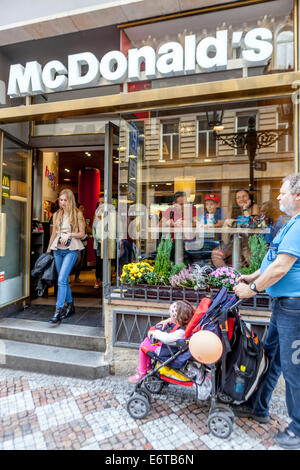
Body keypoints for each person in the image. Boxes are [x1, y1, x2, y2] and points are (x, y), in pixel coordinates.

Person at [233, 173, 300, 450]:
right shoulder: (291, 224)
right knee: (269, 358)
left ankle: (297, 429)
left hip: (293, 309)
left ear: (297, 195)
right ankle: (257, 406)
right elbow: (273, 259)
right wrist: (252, 275)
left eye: (283, 192)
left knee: (294, 369)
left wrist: (254, 289)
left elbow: (282, 267)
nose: (278, 197)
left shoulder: (298, 225)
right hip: (282, 306)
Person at [128, 300, 194, 384]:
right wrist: (169, 320)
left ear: (177, 319)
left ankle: (142, 372)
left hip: (167, 352)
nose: (170, 318)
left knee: (143, 346)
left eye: (172, 317)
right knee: (147, 341)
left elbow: (167, 338)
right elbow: (175, 322)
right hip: (171, 349)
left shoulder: (180, 332)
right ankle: (147, 366)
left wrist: (154, 333)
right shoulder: (186, 325)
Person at [47, 189, 85, 324]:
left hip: (71, 249)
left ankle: (58, 310)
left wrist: (69, 234)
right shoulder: (57, 214)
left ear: (70, 200)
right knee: (63, 280)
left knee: (62, 278)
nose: (62, 203)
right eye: (61, 200)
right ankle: (71, 305)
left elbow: (82, 234)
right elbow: (53, 234)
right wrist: (48, 250)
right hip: (57, 249)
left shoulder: (77, 214)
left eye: (65, 200)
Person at [73, 203, 92, 282]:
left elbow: (88, 229)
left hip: (84, 241)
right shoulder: (74, 218)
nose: (83, 209)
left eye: (83, 208)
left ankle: (77, 277)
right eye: (81, 208)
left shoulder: (83, 218)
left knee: (80, 261)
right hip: (76, 242)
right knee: (76, 260)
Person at [92, 193, 104, 289]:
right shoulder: (97, 213)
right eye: (99, 202)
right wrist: (96, 237)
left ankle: (105, 280)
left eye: (102, 202)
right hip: (98, 242)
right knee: (99, 263)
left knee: (106, 262)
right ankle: (98, 280)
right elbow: (93, 227)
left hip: (107, 242)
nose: (100, 204)